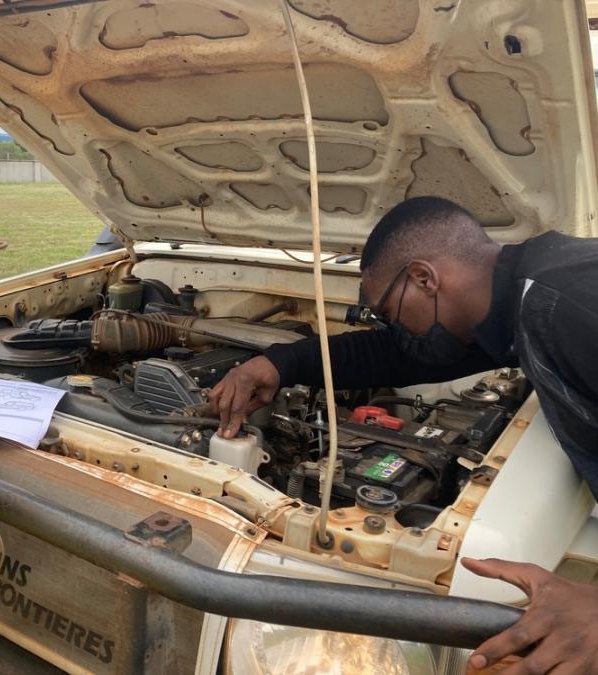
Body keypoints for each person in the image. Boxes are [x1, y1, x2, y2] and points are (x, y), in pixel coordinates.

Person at [210, 196, 598, 673]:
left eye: (389, 313)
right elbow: (394, 356)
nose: (393, 328)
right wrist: (281, 362)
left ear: (423, 278)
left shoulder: (570, 303)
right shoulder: (512, 302)